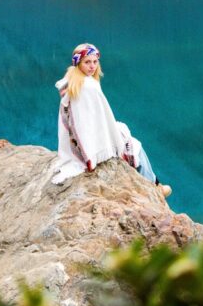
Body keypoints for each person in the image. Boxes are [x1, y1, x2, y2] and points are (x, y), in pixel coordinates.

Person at [52, 43, 171, 197]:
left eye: (95, 62)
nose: (92, 66)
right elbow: (95, 120)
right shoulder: (88, 86)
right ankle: (155, 186)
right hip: (91, 145)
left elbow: (88, 120)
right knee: (134, 146)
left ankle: (154, 183)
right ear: (78, 63)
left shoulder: (71, 82)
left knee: (125, 135)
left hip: (77, 144)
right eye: (87, 62)